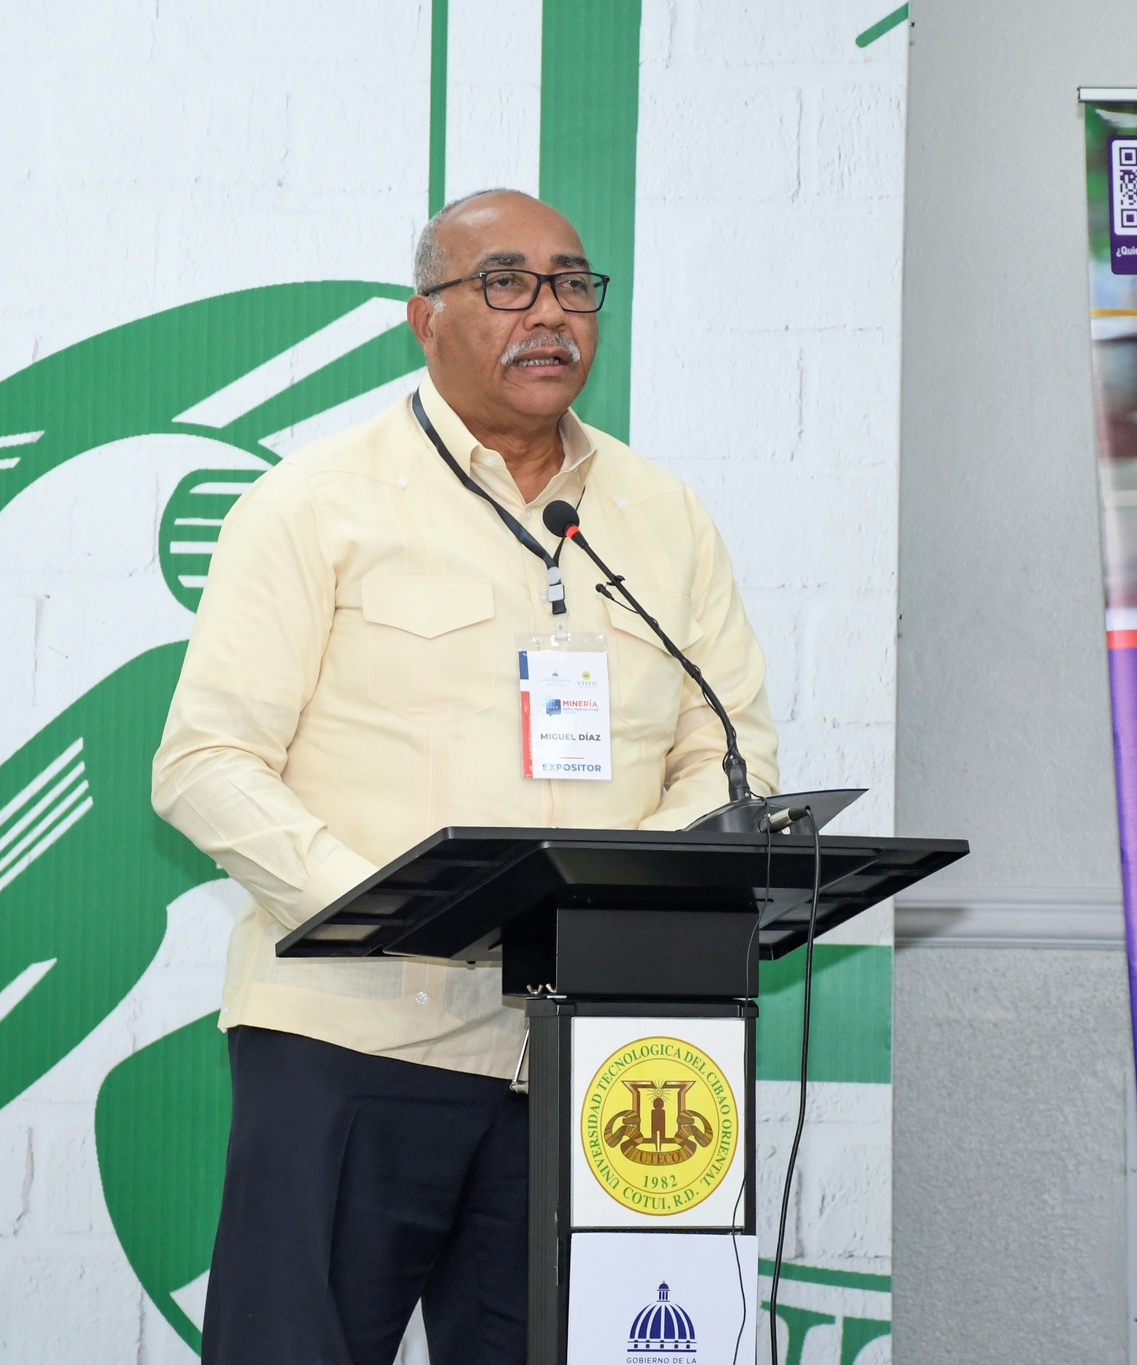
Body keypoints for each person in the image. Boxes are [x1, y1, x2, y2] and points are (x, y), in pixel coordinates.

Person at [150, 188, 778, 1365]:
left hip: (585, 1054)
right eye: (504, 283)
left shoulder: (661, 515)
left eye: (570, 284)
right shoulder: (314, 503)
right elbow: (204, 763)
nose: (547, 312)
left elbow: (724, 754)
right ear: (423, 319)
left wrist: (618, 903)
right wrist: (386, 911)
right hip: (355, 1038)